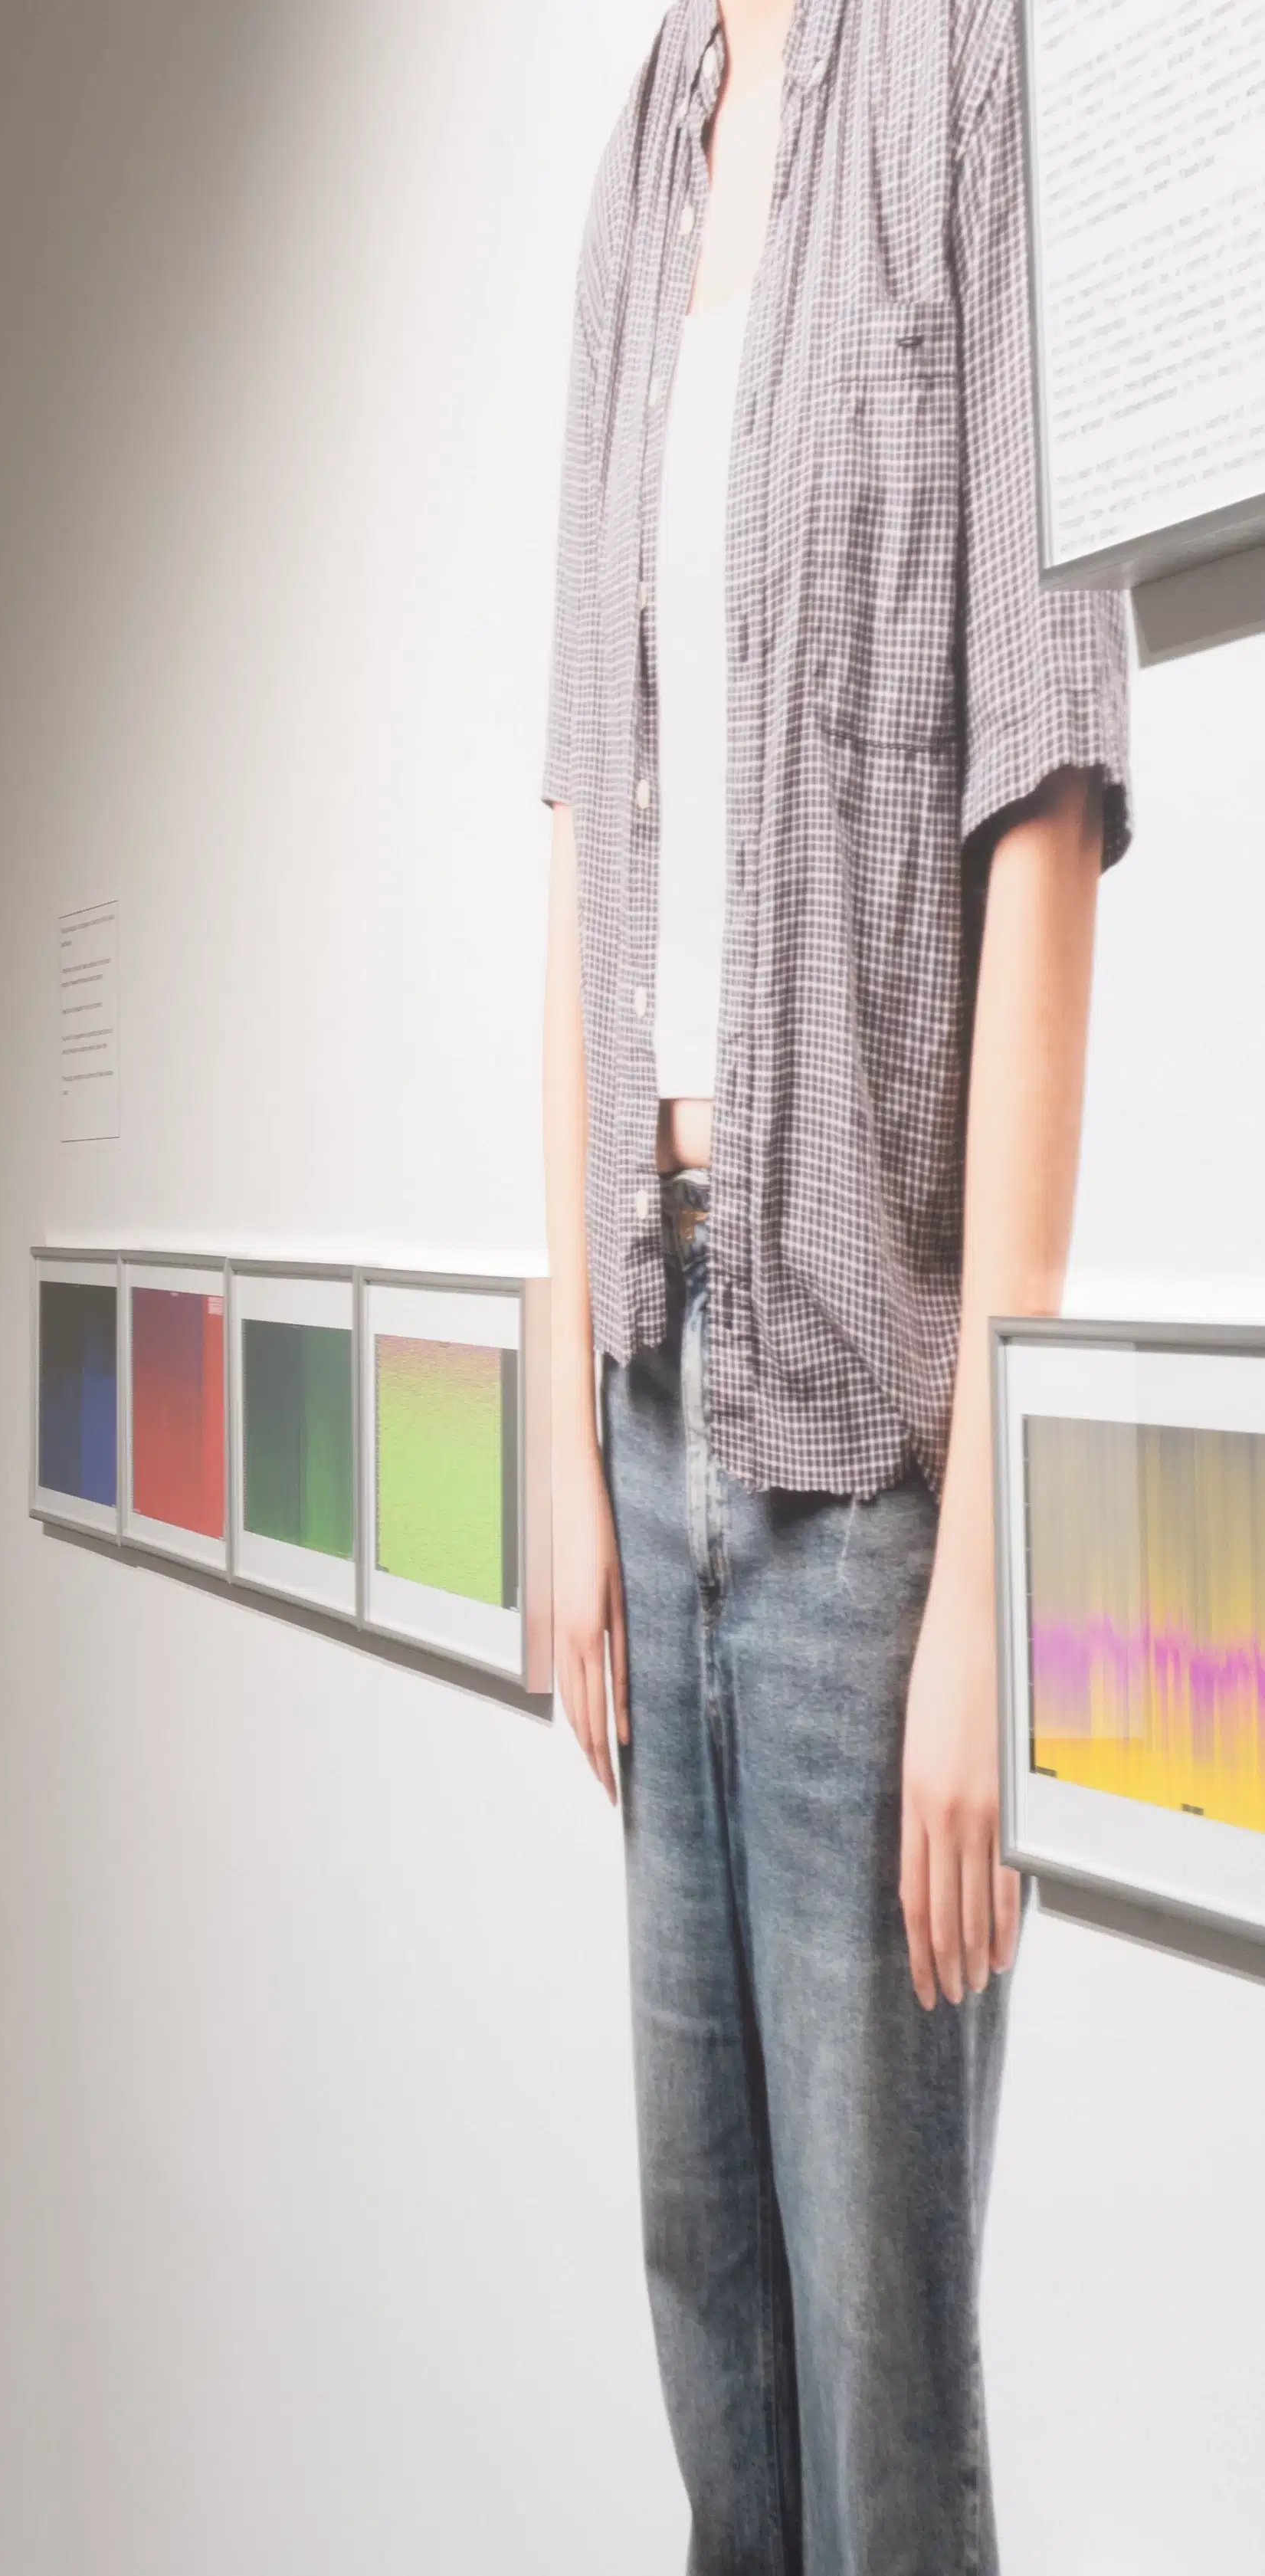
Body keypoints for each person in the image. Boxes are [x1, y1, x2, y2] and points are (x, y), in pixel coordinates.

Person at [538, 2, 1129, 2566]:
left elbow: (1043, 806)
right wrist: (562, 1418)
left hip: (876, 1450)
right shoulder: (643, 147)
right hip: (655, 1377)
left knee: (880, 2385)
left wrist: (987, 1566)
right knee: (711, 2319)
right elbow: (579, 823)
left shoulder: (972, 78)